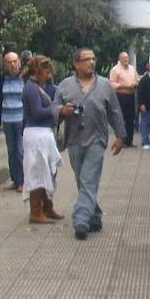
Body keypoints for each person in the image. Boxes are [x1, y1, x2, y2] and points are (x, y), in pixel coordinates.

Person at [53, 48, 126, 240]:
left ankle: (81, 221)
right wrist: (62, 110)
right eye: (86, 60)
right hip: (74, 140)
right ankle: (94, 216)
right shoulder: (65, 86)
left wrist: (120, 136)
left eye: (93, 59)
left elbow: (115, 112)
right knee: (83, 180)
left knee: (88, 178)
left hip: (97, 139)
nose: (91, 62)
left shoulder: (104, 85)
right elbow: (53, 109)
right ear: (76, 64)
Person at [21, 56, 64, 223]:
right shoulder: (31, 89)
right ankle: (36, 211)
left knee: (47, 171)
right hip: (36, 133)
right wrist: (56, 110)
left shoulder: (37, 87)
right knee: (38, 171)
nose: (48, 76)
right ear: (39, 72)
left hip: (42, 133)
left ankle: (47, 206)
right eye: (46, 72)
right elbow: (37, 112)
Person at [0, 51, 26, 192]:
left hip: (21, 118)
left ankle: (23, 180)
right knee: (11, 150)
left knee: (20, 149)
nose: (12, 65)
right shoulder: (1, 80)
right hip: (7, 118)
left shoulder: (25, 79)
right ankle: (15, 180)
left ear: (19, 62)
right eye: (9, 62)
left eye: (14, 61)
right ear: (5, 64)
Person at [109, 51, 138, 147]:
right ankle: (122, 141)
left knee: (131, 119)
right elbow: (112, 84)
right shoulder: (115, 70)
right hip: (121, 97)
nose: (126, 59)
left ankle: (129, 141)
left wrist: (135, 83)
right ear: (120, 59)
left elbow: (137, 79)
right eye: (124, 58)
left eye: (127, 58)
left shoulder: (132, 69)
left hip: (131, 96)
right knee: (121, 119)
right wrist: (125, 86)